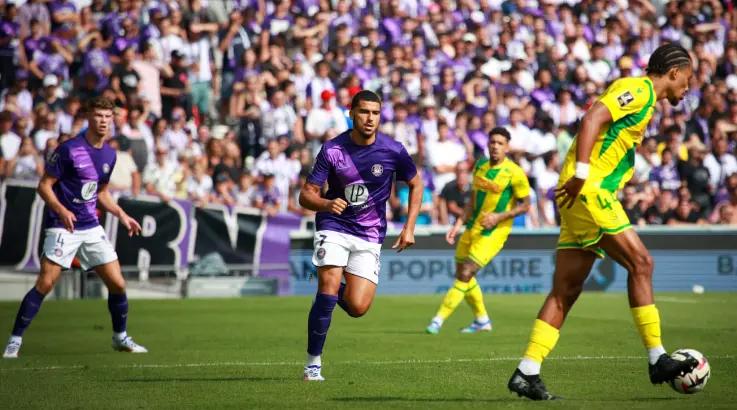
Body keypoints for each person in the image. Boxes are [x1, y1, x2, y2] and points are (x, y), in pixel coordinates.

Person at [508, 43, 698, 400]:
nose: (689, 87)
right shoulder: (640, 90)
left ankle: (526, 370)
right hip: (589, 190)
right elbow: (593, 117)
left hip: (579, 196)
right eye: (688, 78)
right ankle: (657, 357)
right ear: (674, 73)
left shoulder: (646, 102)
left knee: (566, 290)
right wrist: (582, 173)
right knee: (641, 262)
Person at [3, 97, 146, 359]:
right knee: (45, 284)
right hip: (62, 226)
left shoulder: (109, 154)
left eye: (108, 116)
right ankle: (14, 341)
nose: (103, 121)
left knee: (118, 284)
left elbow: (100, 193)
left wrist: (121, 215)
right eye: (99, 115)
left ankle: (120, 337)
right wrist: (61, 209)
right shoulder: (69, 149)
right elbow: (44, 185)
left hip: (91, 226)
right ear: (89, 117)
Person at [298, 90, 422, 381]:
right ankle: (313, 363)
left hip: (369, 231)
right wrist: (327, 203)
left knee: (358, 306)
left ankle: (325, 285)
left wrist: (409, 227)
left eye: (375, 113)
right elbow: (306, 195)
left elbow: (416, 184)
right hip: (334, 224)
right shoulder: (332, 149)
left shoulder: (393, 150)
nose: (370, 118)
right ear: (351, 113)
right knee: (328, 290)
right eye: (364, 112)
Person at [425, 127, 531, 335]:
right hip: (472, 226)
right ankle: (482, 320)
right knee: (463, 274)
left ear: (507, 147)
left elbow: (526, 205)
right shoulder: (480, 165)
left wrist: (498, 217)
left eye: (500, 143)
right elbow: (472, 200)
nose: (495, 146)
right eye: (492, 142)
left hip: (495, 232)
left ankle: (438, 320)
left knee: (466, 272)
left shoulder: (515, 173)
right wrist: (457, 225)